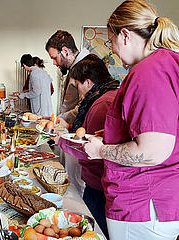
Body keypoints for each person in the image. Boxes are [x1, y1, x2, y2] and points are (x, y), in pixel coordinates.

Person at [84, 1, 179, 239]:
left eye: (111, 41)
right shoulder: (167, 63)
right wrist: (111, 137)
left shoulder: (149, 71)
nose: (112, 49)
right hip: (158, 201)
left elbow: (153, 151)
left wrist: (102, 150)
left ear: (125, 35)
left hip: (142, 205)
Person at [57, 54, 119, 239]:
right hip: (102, 181)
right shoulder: (107, 95)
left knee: (94, 231)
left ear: (89, 82)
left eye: (78, 85)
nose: (80, 92)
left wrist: (60, 139)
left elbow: (89, 147)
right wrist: (69, 128)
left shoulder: (102, 104)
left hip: (98, 182)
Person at [45, 30, 90, 124]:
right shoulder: (74, 67)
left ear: (65, 51)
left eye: (54, 58)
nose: (54, 63)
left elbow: (84, 107)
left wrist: (58, 119)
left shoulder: (84, 69)